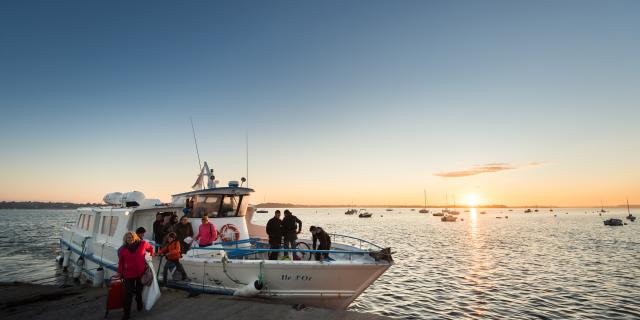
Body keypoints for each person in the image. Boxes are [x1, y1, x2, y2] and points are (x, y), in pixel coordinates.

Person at [117, 231, 154, 320]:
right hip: (128, 274)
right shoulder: (122, 249)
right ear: (125, 239)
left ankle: (139, 302)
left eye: (131, 237)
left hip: (141, 273)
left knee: (138, 291)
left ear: (135, 237)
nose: (130, 239)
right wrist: (120, 273)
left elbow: (151, 248)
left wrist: (150, 256)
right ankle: (126, 314)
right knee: (128, 294)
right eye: (128, 238)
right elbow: (121, 263)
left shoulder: (143, 243)